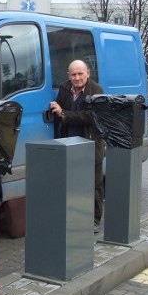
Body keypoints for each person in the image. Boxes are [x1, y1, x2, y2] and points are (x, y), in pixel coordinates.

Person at [49, 59, 105, 233]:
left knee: (93, 184)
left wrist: (64, 113)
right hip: (69, 142)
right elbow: (58, 111)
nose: (77, 77)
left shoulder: (96, 90)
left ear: (88, 73)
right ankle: (74, 216)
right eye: (73, 74)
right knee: (72, 183)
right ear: (68, 75)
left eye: (80, 73)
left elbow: (90, 116)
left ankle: (94, 220)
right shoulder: (65, 89)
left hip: (90, 143)